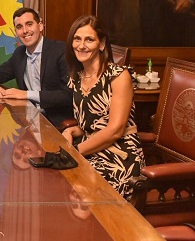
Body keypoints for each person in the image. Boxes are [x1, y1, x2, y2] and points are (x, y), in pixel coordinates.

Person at [62, 15, 145, 199]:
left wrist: (75, 152)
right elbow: (93, 123)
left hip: (119, 157)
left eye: (89, 39)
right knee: (56, 179)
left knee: (76, 190)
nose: (81, 45)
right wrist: (71, 131)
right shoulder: (76, 77)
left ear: (101, 44)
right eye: (77, 39)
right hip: (91, 151)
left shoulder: (118, 76)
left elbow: (115, 130)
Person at [0, 7, 73, 126]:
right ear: (16, 32)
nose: (25, 31)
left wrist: (25, 94)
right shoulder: (19, 54)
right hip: (27, 120)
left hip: (56, 122)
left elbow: (67, 95)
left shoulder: (61, 51)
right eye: (19, 27)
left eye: (29, 24)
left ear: (40, 26)